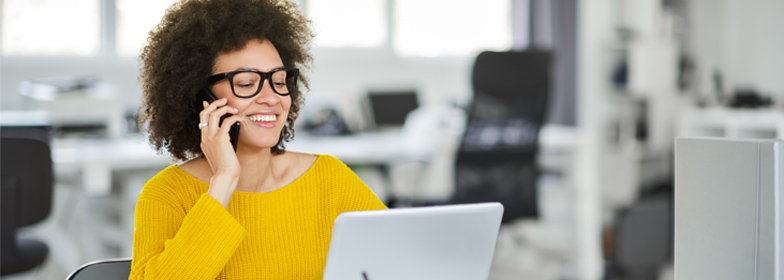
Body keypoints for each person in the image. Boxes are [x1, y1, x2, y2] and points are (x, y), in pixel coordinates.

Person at [130, 0, 386, 278]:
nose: (271, 98)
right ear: (201, 97)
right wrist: (224, 179)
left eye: (279, 81)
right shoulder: (167, 195)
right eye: (246, 84)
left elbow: (403, 261)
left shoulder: (330, 180)